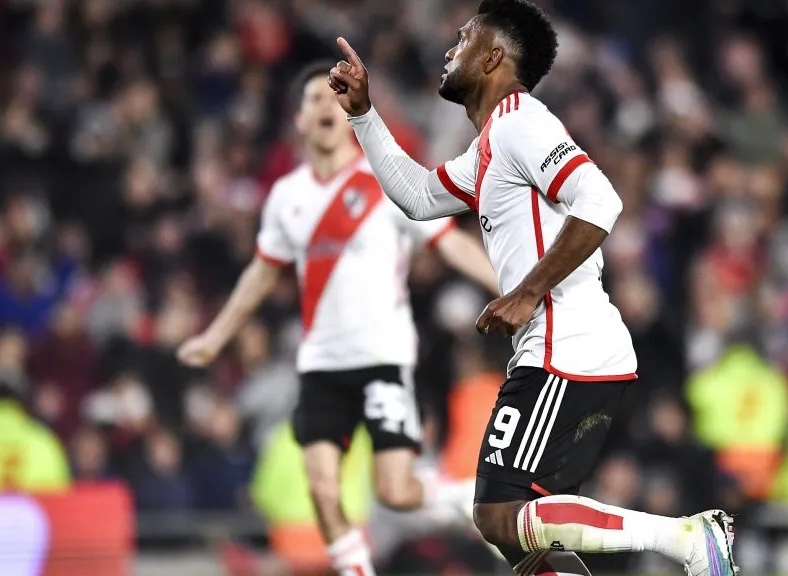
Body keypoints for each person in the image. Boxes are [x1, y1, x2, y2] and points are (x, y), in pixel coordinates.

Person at [326, 1, 738, 575]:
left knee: (498, 515)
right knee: (524, 540)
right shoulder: (489, 147)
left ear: (494, 55)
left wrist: (526, 291)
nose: (450, 49)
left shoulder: (522, 120)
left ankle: (686, 538)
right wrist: (365, 116)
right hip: (566, 347)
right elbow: (419, 197)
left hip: (564, 344)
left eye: (466, 38)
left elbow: (601, 201)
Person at [177, 61, 499, 576]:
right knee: (323, 490)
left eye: (334, 98)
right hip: (322, 363)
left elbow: (449, 244)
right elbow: (261, 275)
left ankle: (462, 498)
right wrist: (215, 337)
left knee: (395, 491)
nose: (325, 107)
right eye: (313, 101)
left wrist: (512, 287)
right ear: (299, 121)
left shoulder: (387, 180)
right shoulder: (287, 198)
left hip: (382, 358)